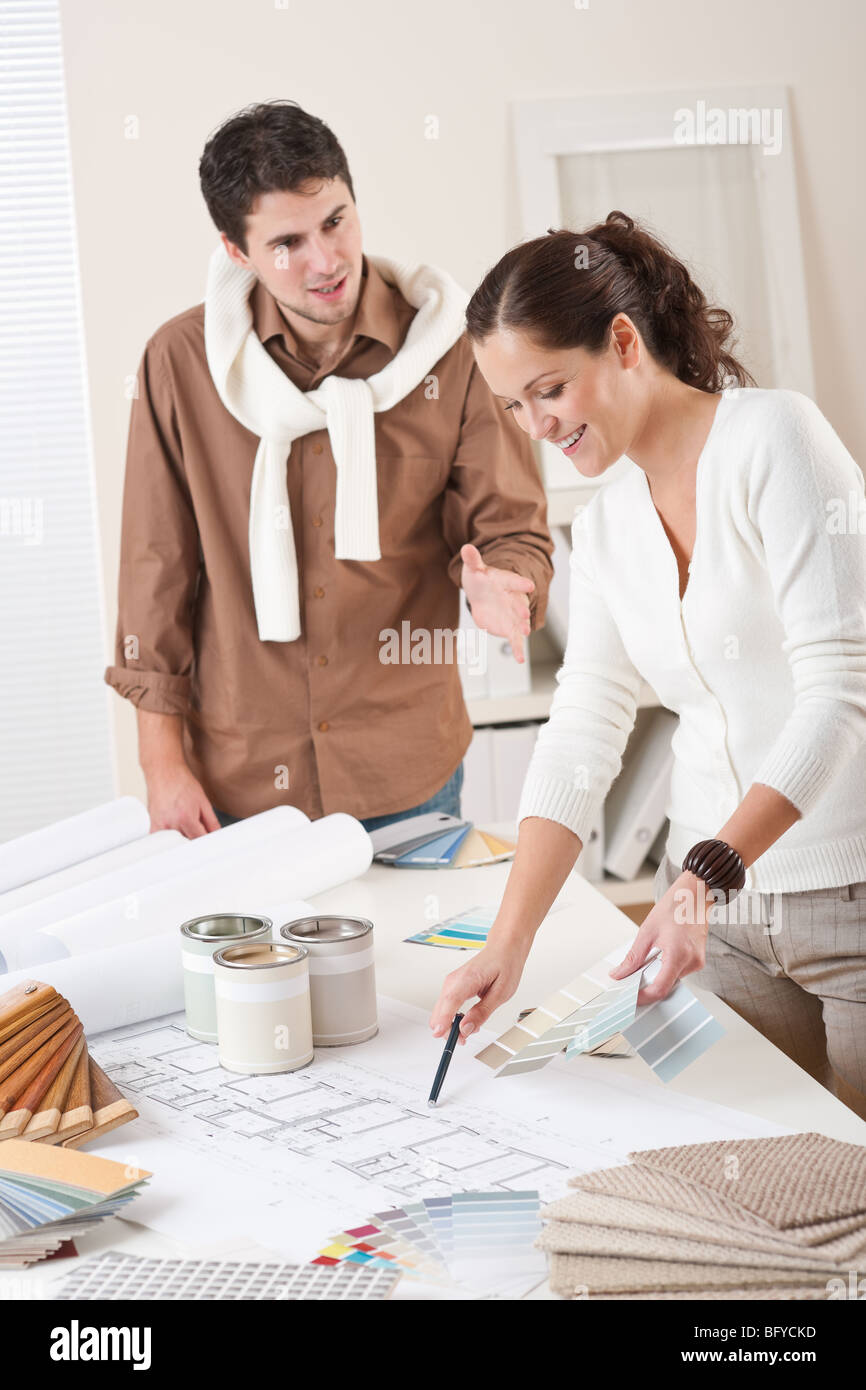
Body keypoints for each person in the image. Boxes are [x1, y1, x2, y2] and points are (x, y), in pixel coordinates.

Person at [430, 211, 866, 1119]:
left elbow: (840, 693)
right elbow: (584, 727)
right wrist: (508, 942)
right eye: (515, 407)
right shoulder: (606, 527)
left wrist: (707, 872)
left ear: (623, 342)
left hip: (843, 896)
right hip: (719, 927)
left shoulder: (775, 440)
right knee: (738, 1176)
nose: (538, 426)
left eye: (549, 390)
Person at [104, 101, 553, 838]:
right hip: (238, 781)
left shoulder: (449, 348)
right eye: (287, 242)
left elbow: (512, 530)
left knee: (412, 959)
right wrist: (162, 764)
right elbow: (155, 572)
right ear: (236, 250)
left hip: (406, 772)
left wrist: (502, 584)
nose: (324, 260)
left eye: (335, 221)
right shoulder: (182, 365)